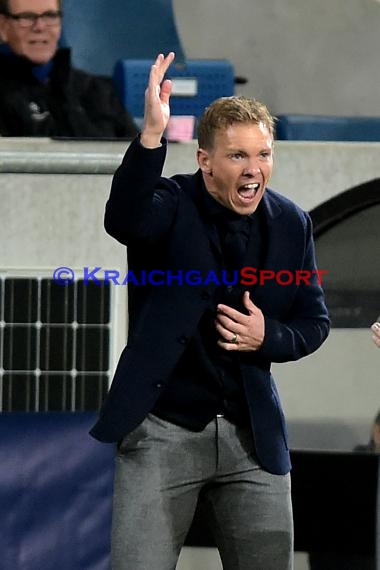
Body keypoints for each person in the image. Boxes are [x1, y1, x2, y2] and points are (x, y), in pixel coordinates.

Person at [90, 52, 330, 570]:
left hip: (252, 437)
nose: (253, 170)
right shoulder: (171, 203)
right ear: (205, 161)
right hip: (162, 430)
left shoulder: (291, 223)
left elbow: (314, 323)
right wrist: (151, 135)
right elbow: (124, 220)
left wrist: (268, 337)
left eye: (263, 154)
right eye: (238, 156)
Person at [0, 0, 138, 138]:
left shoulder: (97, 91)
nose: (40, 26)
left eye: (50, 16)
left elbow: (139, 154)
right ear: (3, 26)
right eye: (27, 17)